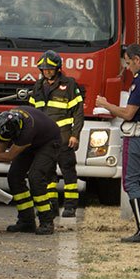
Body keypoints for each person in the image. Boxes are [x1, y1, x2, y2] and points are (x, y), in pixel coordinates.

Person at [96, 44, 140, 243]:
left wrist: (106, 105)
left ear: (136, 59)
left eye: (128, 63)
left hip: (138, 136)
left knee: (131, 182)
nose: (128, 67)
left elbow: (128, 113)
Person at [28, 50, 84, 218]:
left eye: (50, 69)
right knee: (47, 173)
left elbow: (78, 113)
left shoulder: (69, 85)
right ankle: (51, 206)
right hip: (44, 140)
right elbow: (32, 113)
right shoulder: (37, 87)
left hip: (64, 137)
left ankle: (70, 206)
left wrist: (75, 135)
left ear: (58, 68)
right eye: (44, 69)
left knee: (68, 172)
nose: (47, 72)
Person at [0, 106, 61, 235]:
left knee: (36, 177)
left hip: (49, 143)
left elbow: (8, 156)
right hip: (33, 140)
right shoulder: (7, 122)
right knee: (14, 177)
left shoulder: (27, 132)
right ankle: (26, 221)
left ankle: (47, 221)